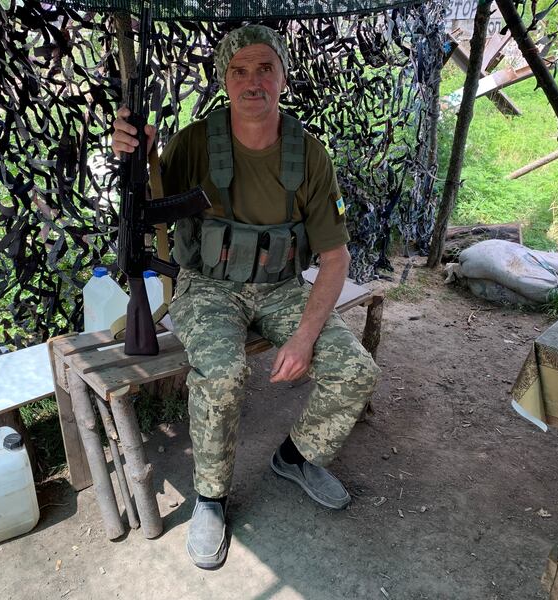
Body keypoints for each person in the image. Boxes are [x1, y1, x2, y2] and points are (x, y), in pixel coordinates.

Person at [112, 24, 380, 569]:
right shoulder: (195, 142)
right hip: (208, 287)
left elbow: (335, 259)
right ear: (224, 78)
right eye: (239, 70)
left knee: (354, 370)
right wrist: (132, 151)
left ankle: (297, 456)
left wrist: (304, 339)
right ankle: (210, 497)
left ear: (283, 76)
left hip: (281, 288)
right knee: (224, 374)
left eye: (265, 69)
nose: (252, 82)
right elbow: (141, 202)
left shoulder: (308, 154)